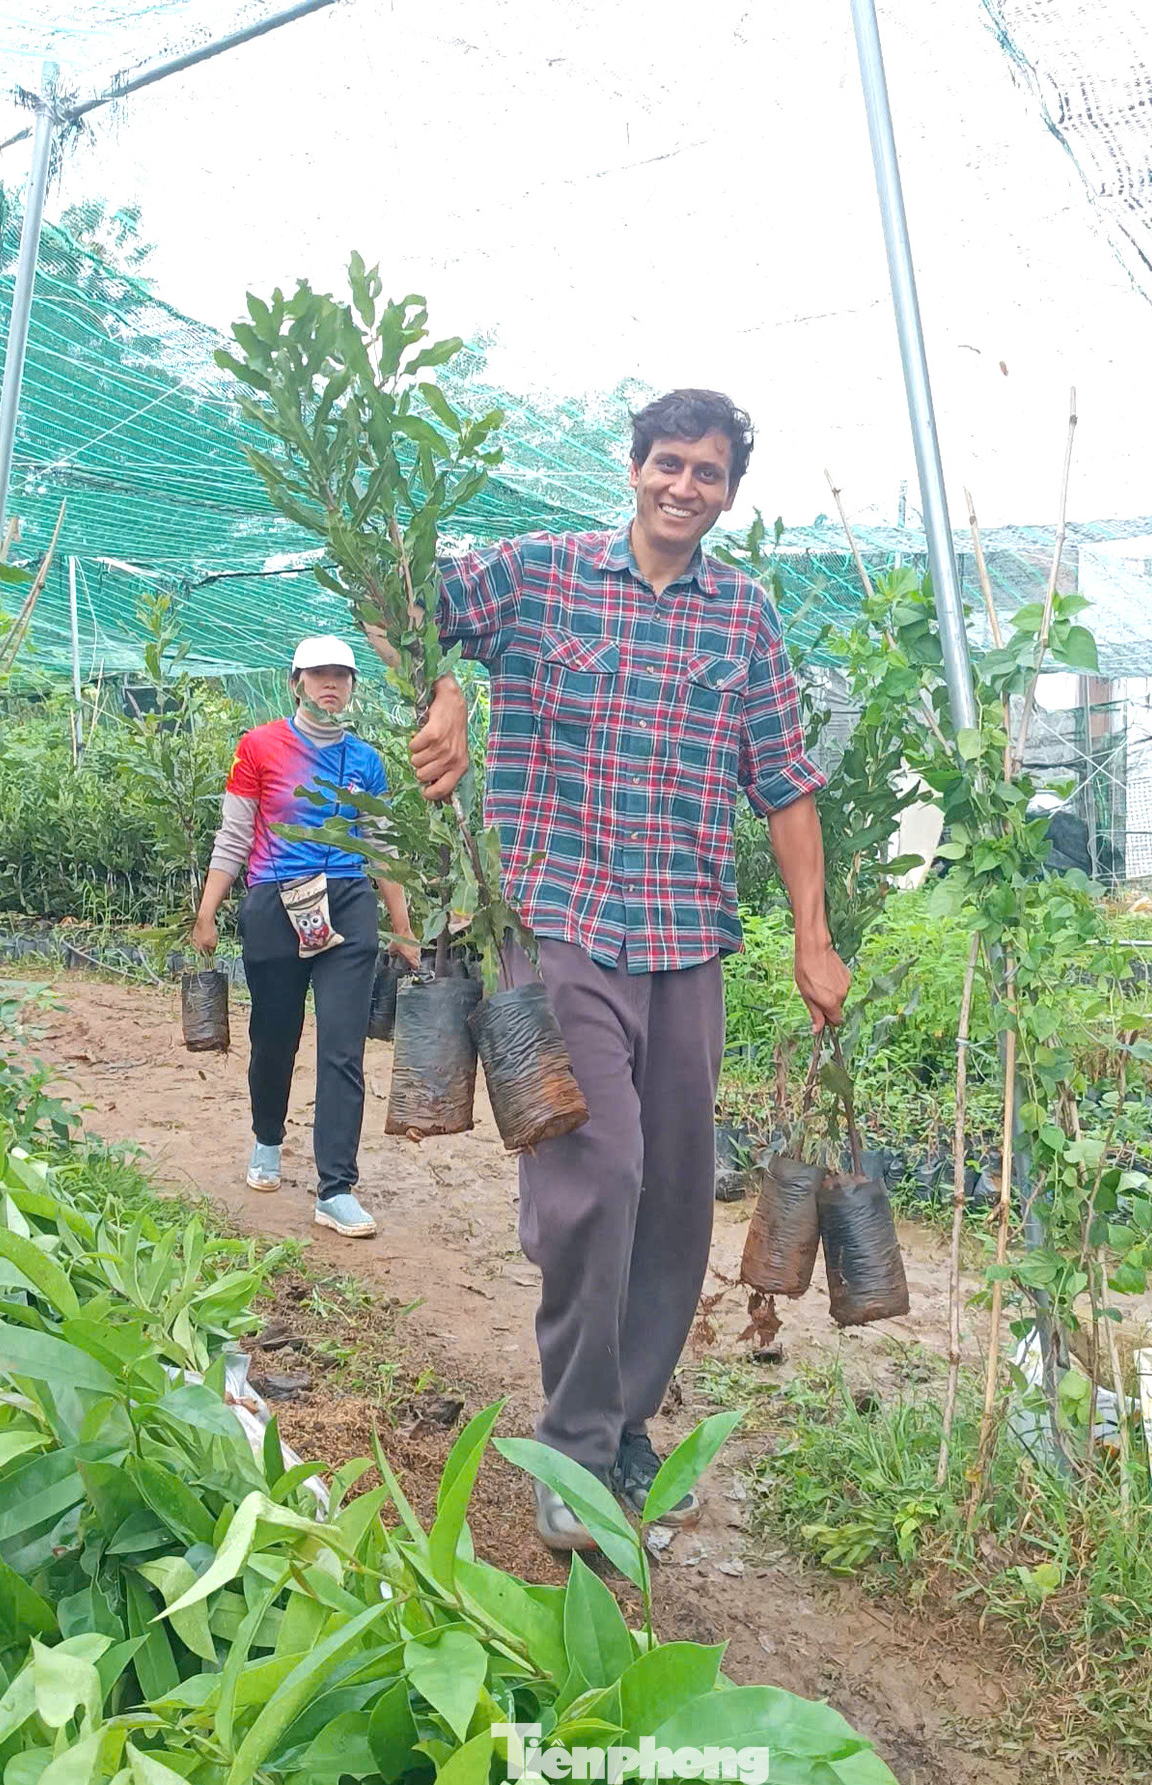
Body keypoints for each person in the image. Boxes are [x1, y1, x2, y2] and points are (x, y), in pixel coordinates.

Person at [374, 390, 851, 1549]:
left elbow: (784, 783)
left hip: (686, 935)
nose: (685, 486)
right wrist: (446, 687)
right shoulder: (538, 574)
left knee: (675, 1196)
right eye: (668, 463)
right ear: (632, 468)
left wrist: (812, 935)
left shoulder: (743, 617)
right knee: (598, 1178)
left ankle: (626, 1421)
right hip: (557, 923)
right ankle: (576, 1449)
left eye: (708, 473)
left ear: (728, 493)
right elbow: (395, 603)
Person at [191, 635, 418, 1238]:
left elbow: (382, 849)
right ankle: (268, 1139)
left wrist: (403, 928)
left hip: (346, 902)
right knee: (274, 1037)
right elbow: (234, 835)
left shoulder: (367, 761)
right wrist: (207, 913)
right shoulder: (259, 747)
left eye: (341, 675)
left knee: (343, 1048)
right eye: (318, 674)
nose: (331, 684)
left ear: (353, 687)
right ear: (296, 683)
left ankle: (336, 1188)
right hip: (275, 901)